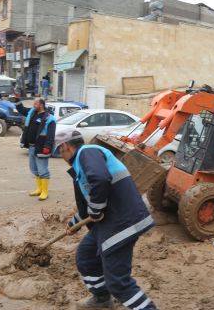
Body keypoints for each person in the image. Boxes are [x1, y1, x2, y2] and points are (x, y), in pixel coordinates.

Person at [54, 128, 157, 310]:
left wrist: (95, 211)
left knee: (118, 282)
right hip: (108, 222)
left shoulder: (88, 152)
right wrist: (74, 223)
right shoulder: (81, 165)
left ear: (65, 146)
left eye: (58, 151)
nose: (60, 156)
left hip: (122, 223)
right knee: (86, 257)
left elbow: (100, 180)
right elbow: (92, 202)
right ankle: (101, 298)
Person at [16, 97, 56, 200]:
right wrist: (17, 101)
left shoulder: (49, 118)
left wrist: (47, 147)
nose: (34, 105)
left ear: (41, 105)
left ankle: (45, 192)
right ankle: (39, 189)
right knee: (34, 169)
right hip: (31, 146)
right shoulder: (32, 113)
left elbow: (51, 135)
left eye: (35, 103)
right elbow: (22, 110)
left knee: (43, 170)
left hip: (41, 147)